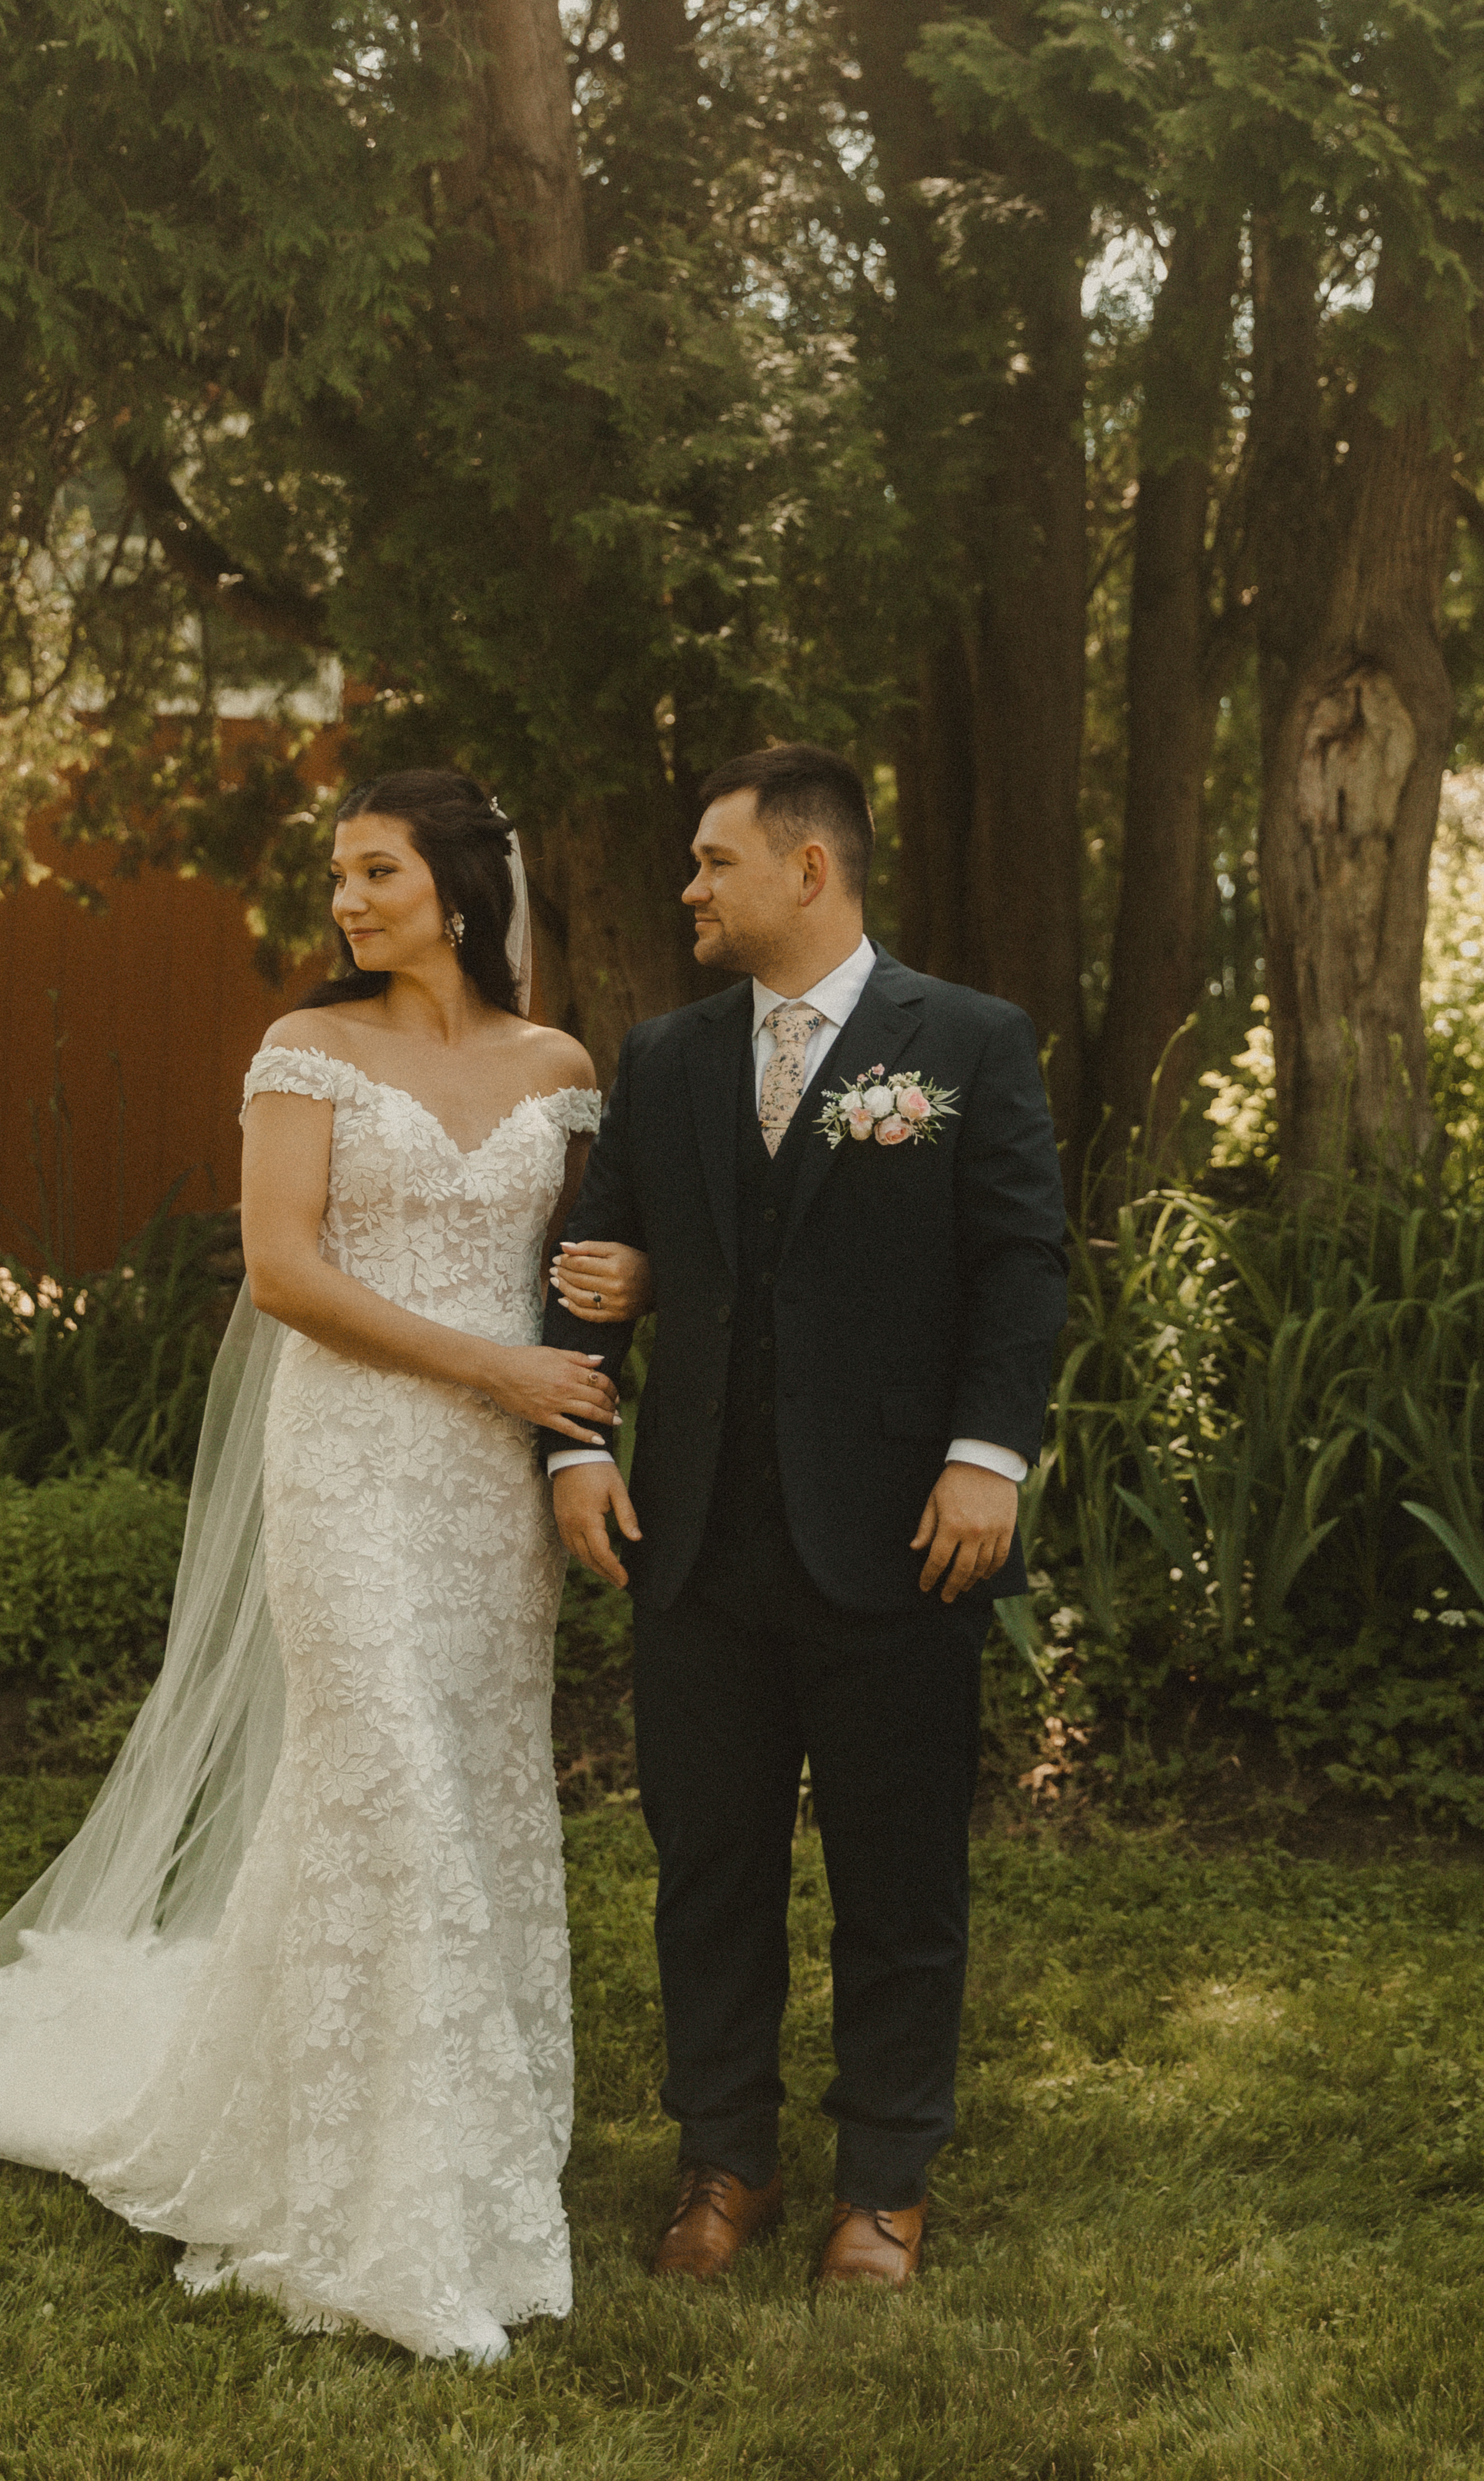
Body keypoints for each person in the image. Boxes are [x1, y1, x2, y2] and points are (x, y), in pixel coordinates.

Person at [0, 770, 643, 2366]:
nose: (348, 902)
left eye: (377, 872)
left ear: (458, 888)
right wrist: (496, 1372)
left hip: (484, 1505)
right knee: (384, 1771)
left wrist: (602, 1306)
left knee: (473, 1782)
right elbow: (291, 1272)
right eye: (339, 877)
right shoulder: (308, 1051)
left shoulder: (560, 1069)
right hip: (356, 1462)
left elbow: (571, 1275)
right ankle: (381, 2207)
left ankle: (462, 2149)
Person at [544, 743, 1067, 2290]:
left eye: (713, 862)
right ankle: (725, 2165)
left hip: (904, 1534)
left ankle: (886, 2182)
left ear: (808, 870)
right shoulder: (668, 1055)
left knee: (901, 1876)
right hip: (697, 1540)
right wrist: (579, 1448)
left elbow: (1022, 1266)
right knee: (709, 1866)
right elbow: (596, 1261)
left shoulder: (966, 1042)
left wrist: (990, 1454)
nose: (689, 889)